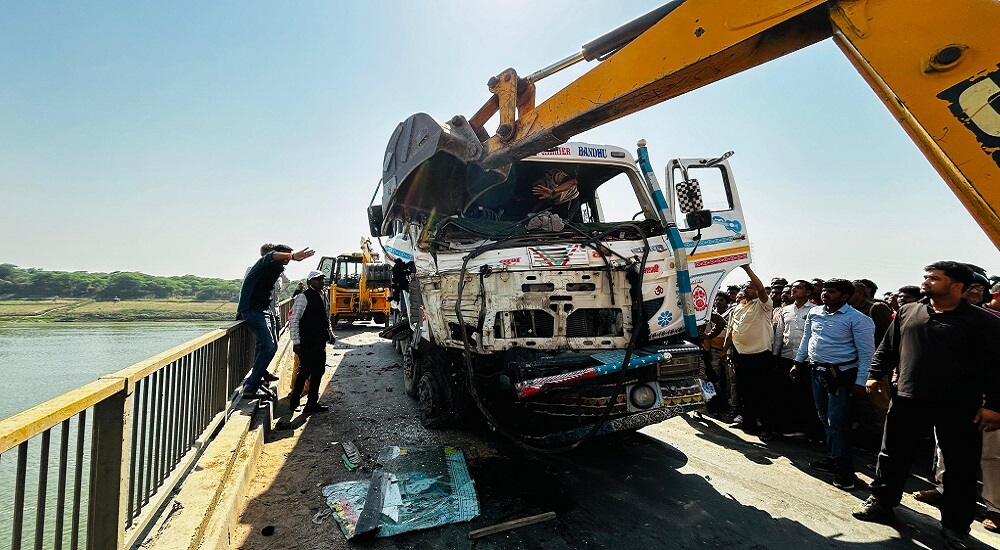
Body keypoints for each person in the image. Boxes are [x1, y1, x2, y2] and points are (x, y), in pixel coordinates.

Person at [853, 261, 1000, 550]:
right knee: (892, 455)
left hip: (959, 406)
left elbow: (997, 368)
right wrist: (874, 374)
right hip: (908, 399)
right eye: (926, 276)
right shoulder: (909, 311)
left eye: (934, 278)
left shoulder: (984, 322)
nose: (926, 281)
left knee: (960, 468)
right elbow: (889, 347)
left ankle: (956, 527)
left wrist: (995, 405)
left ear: (957, 286)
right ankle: (882, 502)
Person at [791, 278, 875, 490]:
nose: (825, 294)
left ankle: (845, 472)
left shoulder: (858, 319)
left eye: (832, 292)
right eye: (825, 291)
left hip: (842, 376)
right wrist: (798, 363)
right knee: (824, 418)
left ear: (845, 296)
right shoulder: (816, 313)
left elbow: (867, 354)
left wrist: (860, 382)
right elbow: (807, 339)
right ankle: (833, 458)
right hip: (816, 371)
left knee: (838, 422)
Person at [237, 244, 315, 399]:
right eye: (285, 256)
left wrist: (290, 258)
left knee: (267, 346)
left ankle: (257, 381)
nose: (287, 260)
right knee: (268, 347)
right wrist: (292, 256)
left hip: (264, 309)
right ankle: (250, 387)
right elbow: (272, 256)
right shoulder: (266, 261)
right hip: (253, 309)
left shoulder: (277, 269)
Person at [722, 264, 775, 440]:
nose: (746, 289)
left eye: (749, 287)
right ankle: (749, 423)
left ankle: (767, 427)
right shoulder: (738, 307)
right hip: (740, 355)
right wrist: (725, 350)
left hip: (759, 355)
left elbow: (760, 288)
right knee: (745, 391)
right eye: (744, 287)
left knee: (763, 393)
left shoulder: (763, 305)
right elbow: (731, 331)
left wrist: (747, 269)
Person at [774, 280, 821, 439]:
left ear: (808, 292)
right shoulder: (785, 310)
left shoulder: (816, 311)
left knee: (806, 396)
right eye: (793, 288)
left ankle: (808, 431)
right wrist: (775, 355)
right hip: (786, 357)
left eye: (798, 288)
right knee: (786, 394)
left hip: (806, 360)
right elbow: (780, 334)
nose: (794, 290)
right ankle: (787, 428)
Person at [848, 280, 894, 438]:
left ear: (860, 294)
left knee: (879, 406)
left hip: (874, 364)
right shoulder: (847, 310)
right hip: (853, 362)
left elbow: (891, 336)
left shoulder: (876, 308)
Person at [288, 270, 335, 413]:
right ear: (309, 282)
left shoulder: (324, 295)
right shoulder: (303, 297)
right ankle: (294, 401)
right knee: (304, 372)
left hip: (320, 341)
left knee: (318, 371)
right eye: (317, 279)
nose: (321, 281)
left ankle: (311, 404)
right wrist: (296, 341)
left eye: (322, 279)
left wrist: (331, 333)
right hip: (307, 341)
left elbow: (326, 317)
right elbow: (294, 319)